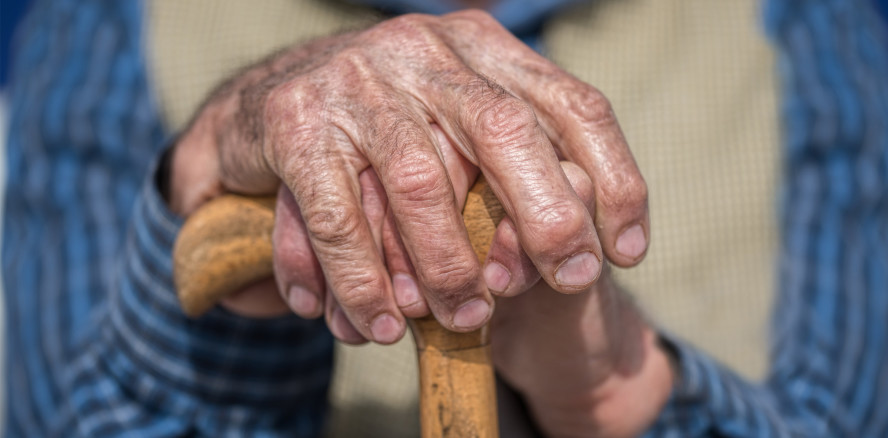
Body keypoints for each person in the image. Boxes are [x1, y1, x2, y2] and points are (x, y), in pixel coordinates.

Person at [3, 0, 886, 437]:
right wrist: (246, 172)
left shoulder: (806, 22)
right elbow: (56, 418)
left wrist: (611, 388)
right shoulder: (109, 17)